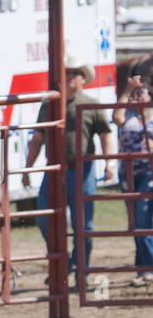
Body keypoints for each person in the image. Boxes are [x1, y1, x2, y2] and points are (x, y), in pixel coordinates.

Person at [24, 55, 119, 278]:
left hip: (81, 169)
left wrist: (109, 163)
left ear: (83, 79)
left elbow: (105, 135)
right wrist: (28, 168)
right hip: (55, 169)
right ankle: (61, 261)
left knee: (83, 224)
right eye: (66, 72)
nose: (69, 77)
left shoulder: (91, 105)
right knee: (45, 219)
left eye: (74, 73)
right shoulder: (49, 104)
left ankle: (80, 268)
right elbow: (37, 138)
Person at [112, 74, 153, 284]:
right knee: (135, 221)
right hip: (128, 172)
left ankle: (148, 269)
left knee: (142, 219)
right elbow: (116, 118)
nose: (137, 98)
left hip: (149, 171)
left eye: (141, 93)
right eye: (134, 95)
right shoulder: (126, 114)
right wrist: (126, 91)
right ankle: (143, 268)